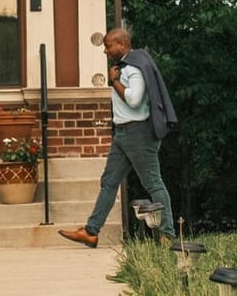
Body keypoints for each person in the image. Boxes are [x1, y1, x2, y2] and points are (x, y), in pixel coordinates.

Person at [59, 28, 177, 248]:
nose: (105, 51)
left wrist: (114, 81)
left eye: (108, 46)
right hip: (122, 134)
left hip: (138, 134)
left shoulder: (134, 67)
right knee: (109, 183)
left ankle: (167, 235)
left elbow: (134, 100)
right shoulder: (125, 65)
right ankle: (91, 232)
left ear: (122, 44)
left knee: (153, 183)